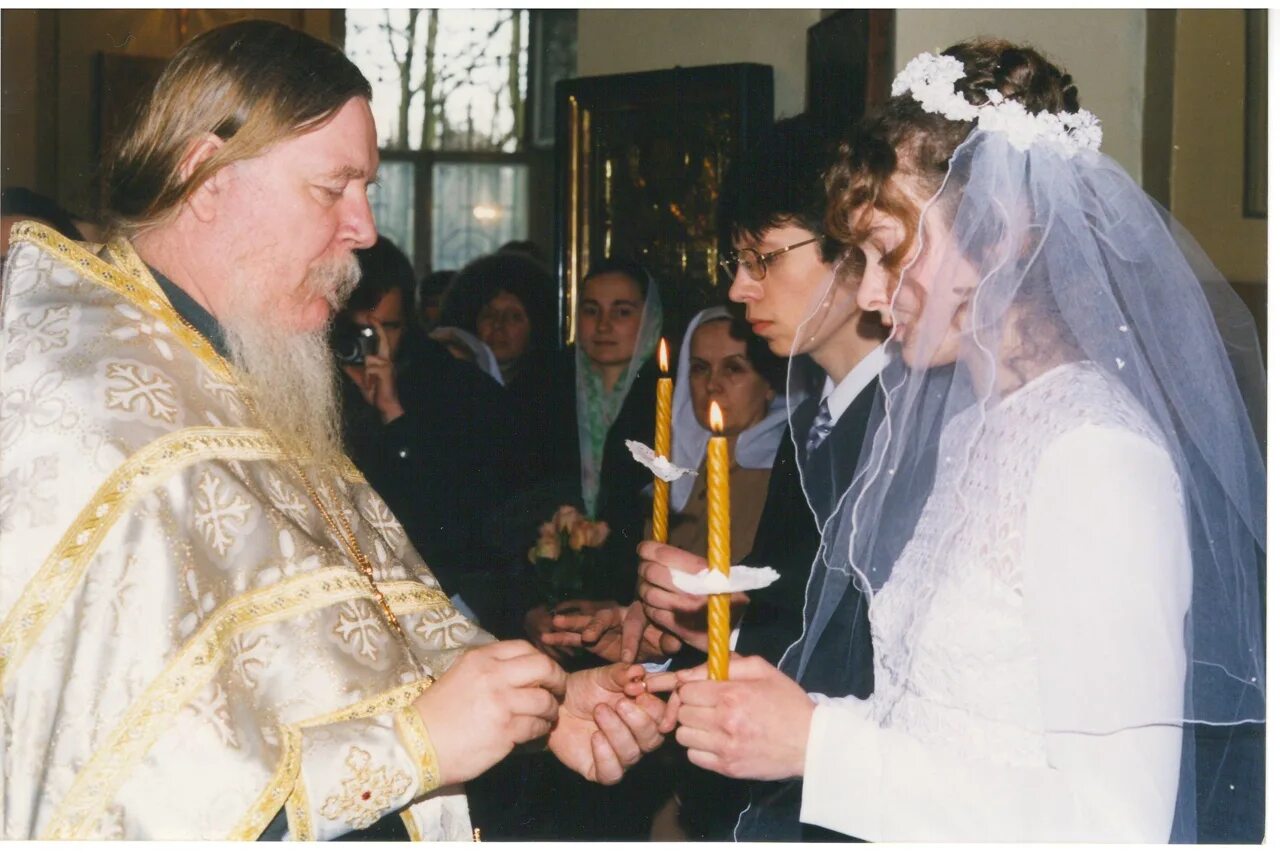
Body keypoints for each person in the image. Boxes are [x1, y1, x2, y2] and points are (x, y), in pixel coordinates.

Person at [0, 21, 667, 841]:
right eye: (332, 188)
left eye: (368, 189)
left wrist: (546, 703)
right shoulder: (81, 399)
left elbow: (347, 636)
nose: (363, 229)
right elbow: (118, 789)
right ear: (206, 176)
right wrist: (415, 745)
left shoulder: (237, 365)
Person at [650, 39, 1265, 843]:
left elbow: (1116, 825)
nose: (871, 295)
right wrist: (799, 713)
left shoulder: (1098, 458)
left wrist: (818, 745)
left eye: (889, 252)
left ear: (999, 230)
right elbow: (949, 718)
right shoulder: (978, 425)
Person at [338, 235, 517, 622]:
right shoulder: (310, 379)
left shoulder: (450, 386)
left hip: (433, 596)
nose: (375, 342)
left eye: (388, 327)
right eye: (358, 331)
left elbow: (457, 518)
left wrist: (392, 413)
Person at [439, 250, 573, 488]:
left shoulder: (553, 397)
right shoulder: (453, 386)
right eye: (489, 315)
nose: (498, 326)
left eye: (514, 317)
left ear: (537, 327)